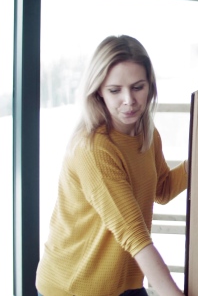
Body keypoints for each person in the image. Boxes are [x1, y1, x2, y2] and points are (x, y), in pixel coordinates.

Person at [36, 35, 188, 296]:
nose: (129, 100)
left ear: (150, 86)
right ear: (98, 92)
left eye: (138, 87)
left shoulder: (147, 135)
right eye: (115, 90)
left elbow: (162, 189)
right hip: (75, 286)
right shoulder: (93, 149)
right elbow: (135, 236)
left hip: (125, 283)